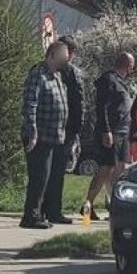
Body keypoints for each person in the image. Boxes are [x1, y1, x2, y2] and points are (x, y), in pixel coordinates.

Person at [20, 41, 70, 229]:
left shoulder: (57, 76)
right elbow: (30, 104)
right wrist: (32, 132)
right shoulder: (38, 75)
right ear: (51, 55)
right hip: (39, 136)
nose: (65, 60)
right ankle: (31, 216)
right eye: (62, 56)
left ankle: (40, 213)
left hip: (54, 136)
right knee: (39, 177)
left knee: (47, 177)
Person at [81, 52, 135, 221]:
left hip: (123, 131)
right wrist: (106, 130)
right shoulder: (108, 80)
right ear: (127, 64)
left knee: (121, 169)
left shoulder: (121, 82)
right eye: (132, 65)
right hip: (111, 132)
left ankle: (117, 206)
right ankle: (87, 205)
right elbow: (101, 107)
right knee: (106, 168)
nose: (133, 69)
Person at [40, 35, 84, 225]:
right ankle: (53, 211)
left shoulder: (50, 70)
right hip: (66, 127)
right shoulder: (70, 71)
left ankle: (42, 208)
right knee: (57, 171)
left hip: (52, 126)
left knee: (47, 170)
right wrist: (77, 127)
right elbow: (78, 100)